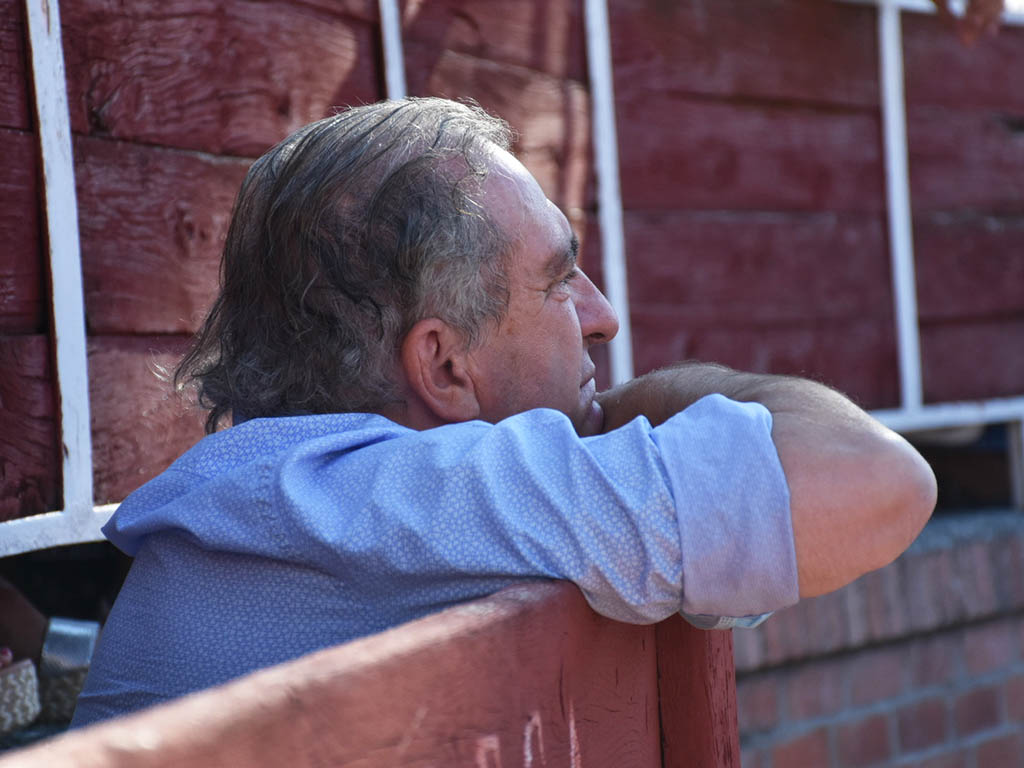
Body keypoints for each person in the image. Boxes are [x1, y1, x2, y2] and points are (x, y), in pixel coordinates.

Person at [71, 98, 936, 727]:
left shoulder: (322, 491)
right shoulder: (391, 497)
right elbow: (875, 481)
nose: (603, 317)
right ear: (444, 367)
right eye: (561, 282)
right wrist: (633, 414)